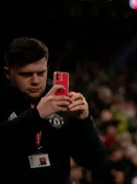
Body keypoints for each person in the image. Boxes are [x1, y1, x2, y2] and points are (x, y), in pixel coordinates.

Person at [0, 37, 114, 184]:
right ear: (8, 73)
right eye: (26, 74)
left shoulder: (62, 99)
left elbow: (94, 161)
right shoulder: (2, 100)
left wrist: (84, 121)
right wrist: (37, 115)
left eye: (41, 73)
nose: (35, 81)